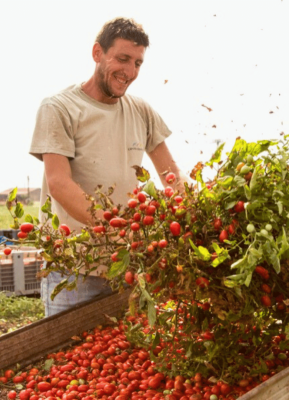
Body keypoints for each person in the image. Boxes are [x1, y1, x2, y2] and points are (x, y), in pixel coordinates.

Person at [29, 17, 189, 317]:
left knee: (127, 358)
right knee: (72, 359)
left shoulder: (141, 111)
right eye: (123, 59)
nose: (129, 72)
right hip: (73, 272)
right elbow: (59, 183)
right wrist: (119, 230)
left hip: (126, 269)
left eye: (138, 63)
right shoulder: (59, 108)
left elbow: (171, 174)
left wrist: (194, 204)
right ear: (97, 53)